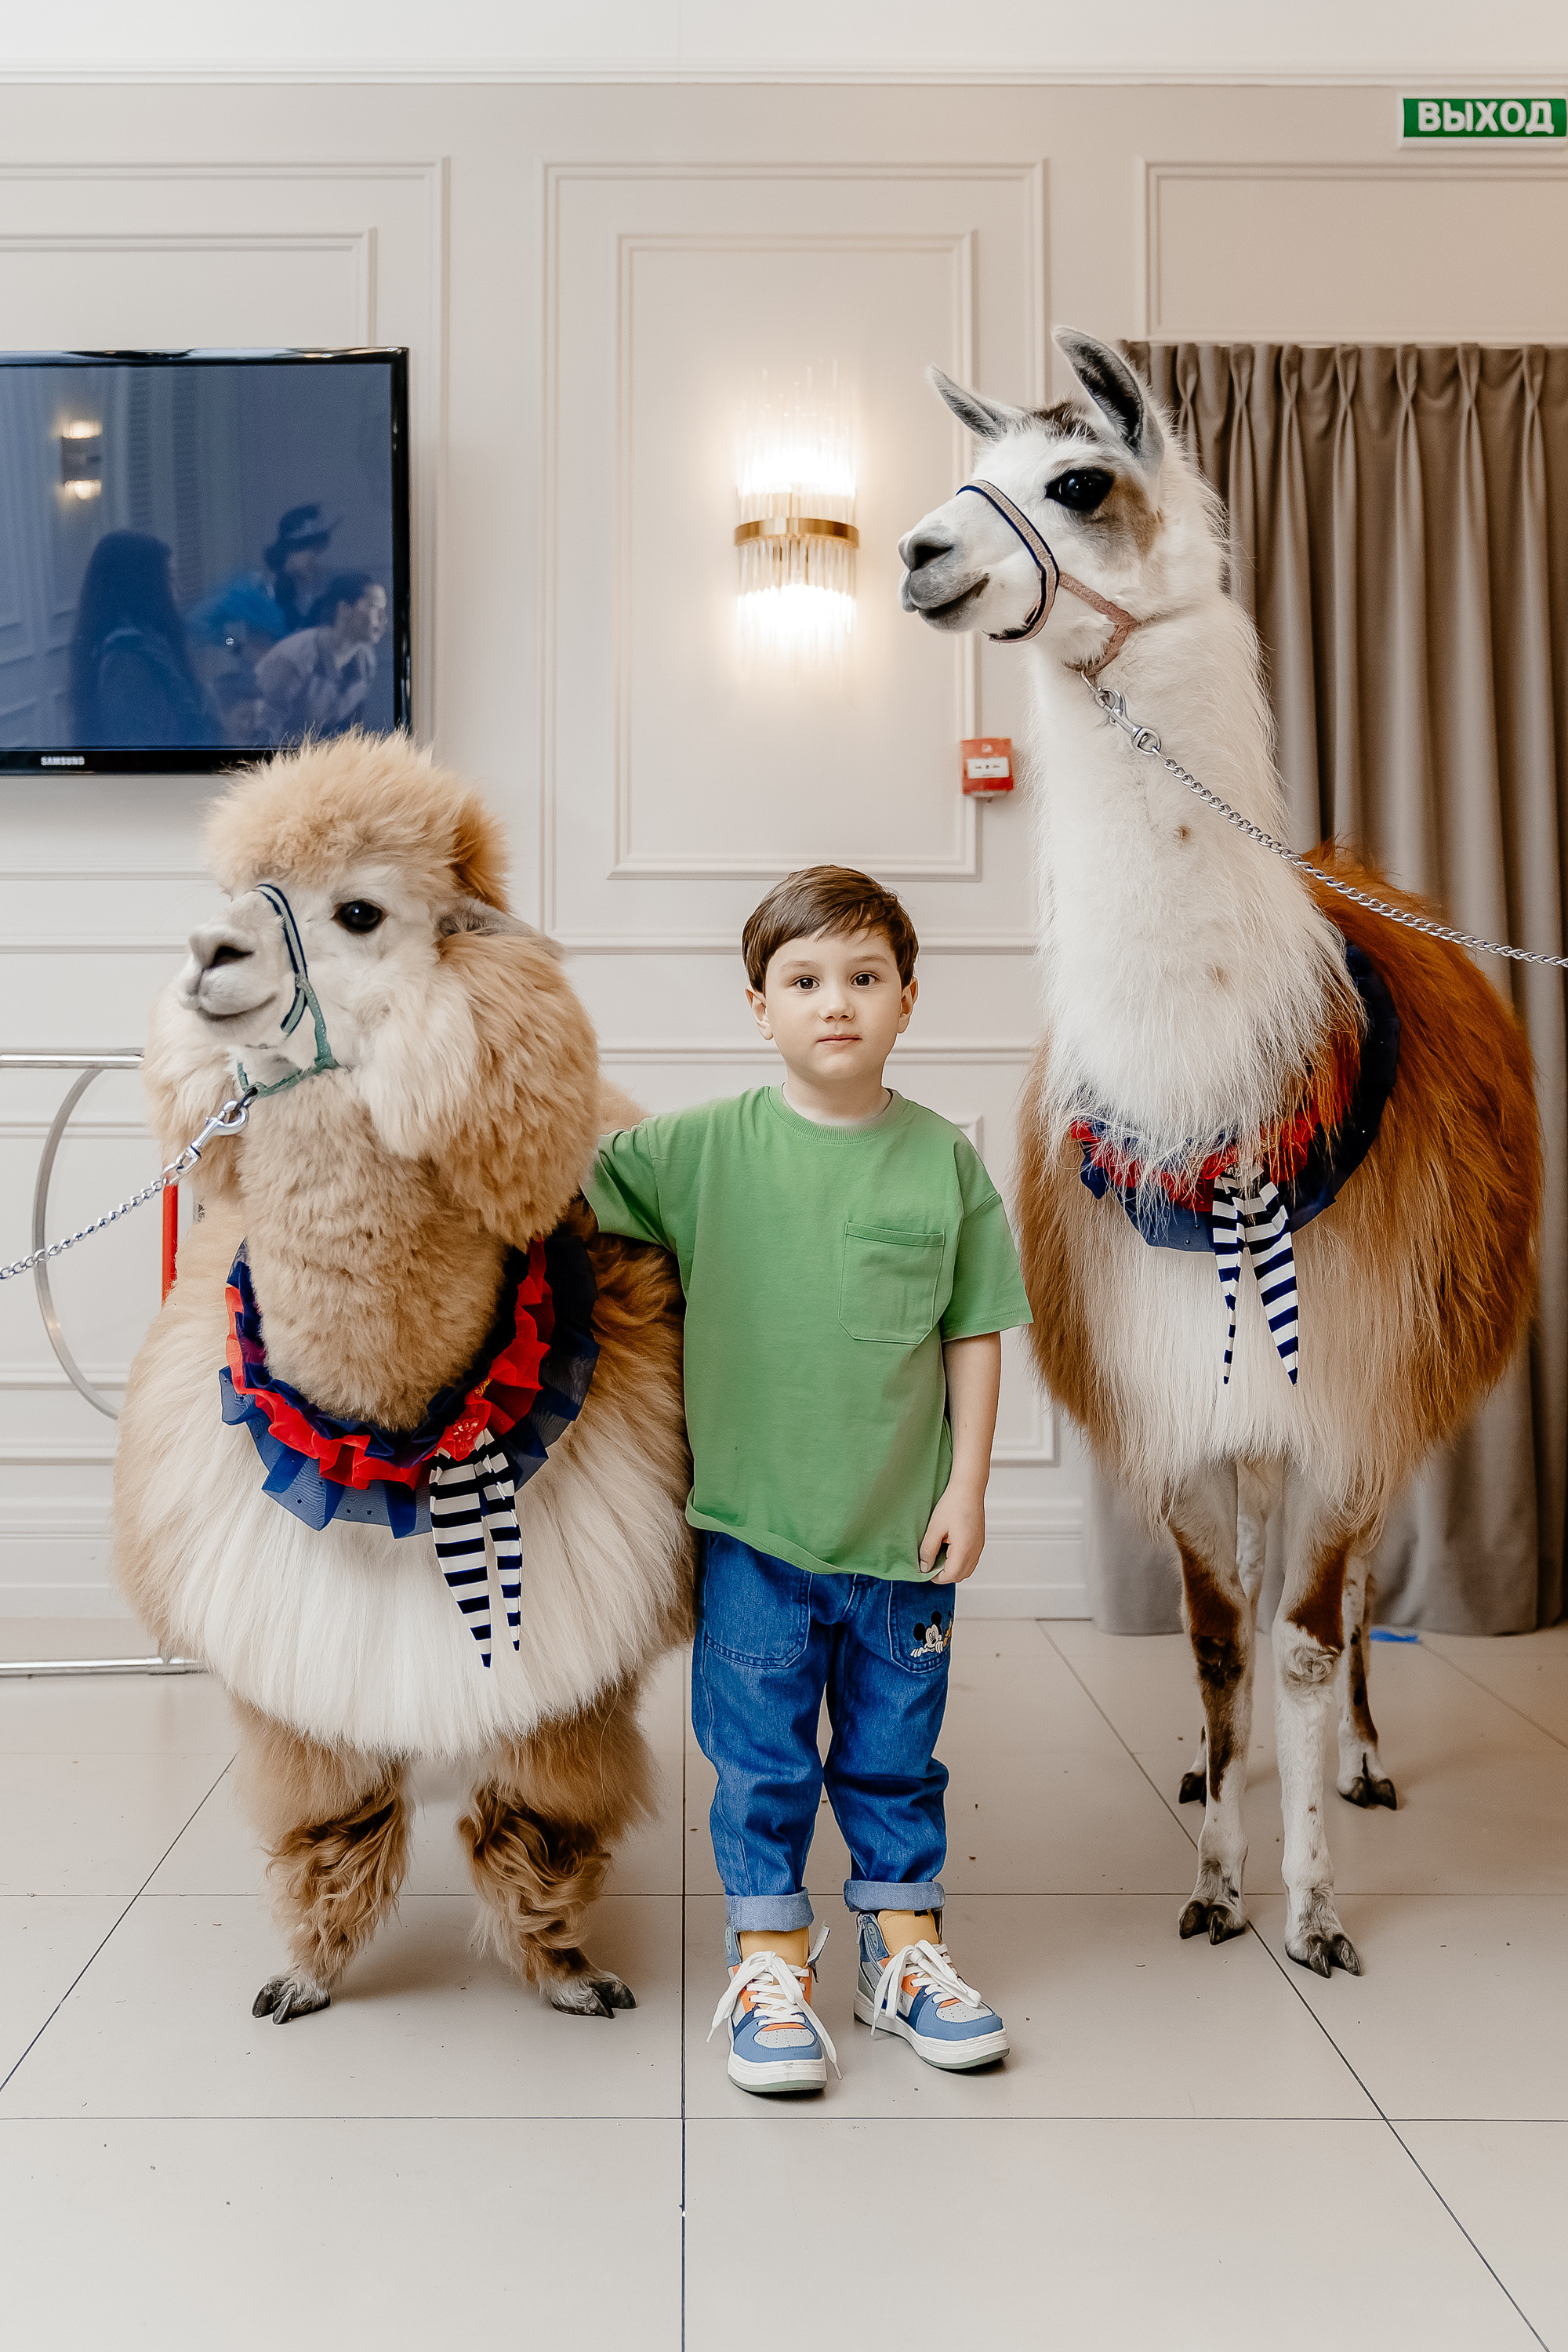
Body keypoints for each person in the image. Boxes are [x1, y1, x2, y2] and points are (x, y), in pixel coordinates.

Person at [583, 866, 1033, 2096]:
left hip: (901, 1548)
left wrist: (970, 1486)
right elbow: (555, 1177)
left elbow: (974, 1330)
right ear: (759, 1006)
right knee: (762, 1765)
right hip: (756, 1542)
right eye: (804, 980)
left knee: (895, 1761)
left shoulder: (944, 1163)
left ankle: (904, 1956)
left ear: (907, 1000)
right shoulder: (698, 1151)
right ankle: (770, 1965)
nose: (836, 1002)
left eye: (864, 978)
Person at [68, 530, 217, 747]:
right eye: (169, 578)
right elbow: (145, 755)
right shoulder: (125, 662)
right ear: (142, 586)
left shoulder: (148, 646)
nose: (178, 591)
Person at [187, 502, 339, 656]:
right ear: (292, 548)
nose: (316, 559)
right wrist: (235, 643)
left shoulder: (316, 587)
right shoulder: (249, 588)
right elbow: (197, 623)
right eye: (312, 551)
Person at [253, 572, 388, 742]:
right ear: (345, 608)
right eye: (375, 607)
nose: (384, 619)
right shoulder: (295, 657)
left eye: (385, 609)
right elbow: (262, 733)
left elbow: (350, 732)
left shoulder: (366, 660)